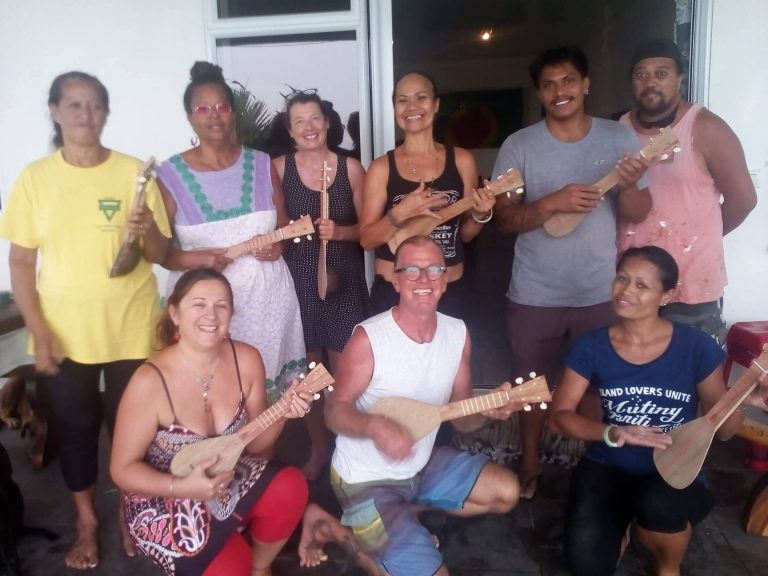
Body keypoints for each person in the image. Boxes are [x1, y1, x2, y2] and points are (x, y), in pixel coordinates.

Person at [0, 71, 171, 569]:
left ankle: (129, 512)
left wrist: (148, 228)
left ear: (106, 114)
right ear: (54, 111)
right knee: (75, 428)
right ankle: (87, 522)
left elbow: (160, 253)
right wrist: (39, 329)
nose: (85, 113)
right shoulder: (35, 178)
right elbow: (21, 261)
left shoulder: (135, 172)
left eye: (95, 104)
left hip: (132, 325)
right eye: (73, 104)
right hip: (65, 332)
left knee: (132, 430)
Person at [491, 45, 652, 499]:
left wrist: (628, 186)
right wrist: (550, 203)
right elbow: (504, 218)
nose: (559, 91)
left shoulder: (618, 139)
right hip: (533, 293)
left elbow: (639, 211)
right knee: (531, 387)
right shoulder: (519, 145)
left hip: (598, 292)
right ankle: (530, 463)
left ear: (586, 84)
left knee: (596, 388)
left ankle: (596, 471)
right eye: (548, 85)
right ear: (539, 93)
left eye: (567, 80)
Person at [549, 245, 768, 576]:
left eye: (641, 285)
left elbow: (723, 431)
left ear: (666, 296)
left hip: (676, 468)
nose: (626, 291)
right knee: (586, 567)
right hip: (608, 465)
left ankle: (667, 565)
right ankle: (623, 525)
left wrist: (739, 401)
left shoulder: (695, 347)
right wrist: (612, 432)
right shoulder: (590, 347)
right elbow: (559, 417)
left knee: (659, 507)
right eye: (622, 279)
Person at [325, 236, 521, 576]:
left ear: (445, 279)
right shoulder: (369, 339)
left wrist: (489, 412)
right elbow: (333, 411)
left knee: (507, 492)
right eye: (412, 270)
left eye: (433, 270)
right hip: (364, 481)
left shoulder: (457, 334)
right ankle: (341, 531)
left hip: (419, 466)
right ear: (396, 280)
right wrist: (374, 425)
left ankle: (402, 516)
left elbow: (462, 419)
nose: (423, 279)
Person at [110, 268, 313, 575]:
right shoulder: (149, 382)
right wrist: (180, 487)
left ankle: (260, 567)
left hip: (226, 476)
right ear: (175, 314)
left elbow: (254, 444)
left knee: (290, 486)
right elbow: (122, 470)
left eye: (222, 305)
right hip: (163, 496)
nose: (211, 315)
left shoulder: (247, 360)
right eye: (199, 304)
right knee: (231, 569)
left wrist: (284, 412)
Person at [156, 61, 305, 404]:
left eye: (222, 107)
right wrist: (197, 259)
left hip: (266, 304)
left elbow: (284, 225)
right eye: (203, 108)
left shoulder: (262, 164)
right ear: (189, 117)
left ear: (233, 113)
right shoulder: (169, 175)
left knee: (264, 398)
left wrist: (279, 247)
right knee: (206, 399)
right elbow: (161, 253)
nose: (214, 116)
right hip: (205, 310)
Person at [618, 38, 757, 344]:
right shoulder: (620, 129)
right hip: (632, 284)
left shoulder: (706, 128)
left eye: (661, 73)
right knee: (632, 367)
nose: (650, 82)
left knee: (691, 369)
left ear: (680, 77)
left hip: (691, 285)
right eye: (641, 74)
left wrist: (698, 237)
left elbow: (744, 200)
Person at [274, 91, 369, 481]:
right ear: (290, 130)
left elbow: (371, 231)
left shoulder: (351, 169)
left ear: (327, 122)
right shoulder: (279, 169)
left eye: (315, 118)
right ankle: (319, 448)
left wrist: (341, 231)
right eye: (299, 121)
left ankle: (350, 453)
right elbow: (274, 228)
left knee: (346, 376)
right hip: (299, 282)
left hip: (343, 281)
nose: (309, 127)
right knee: (310, 374)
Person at [359, 72, 496, 317]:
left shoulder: (462, 161)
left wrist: (480, 215)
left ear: (436, 104)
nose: (411, 106)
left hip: (449, 290)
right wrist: (400, 214)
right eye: (402, 100)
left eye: (421, 97)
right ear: (394, 108)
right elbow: (367, 240)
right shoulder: (381, 168)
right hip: (393, 291)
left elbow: (465, 234)